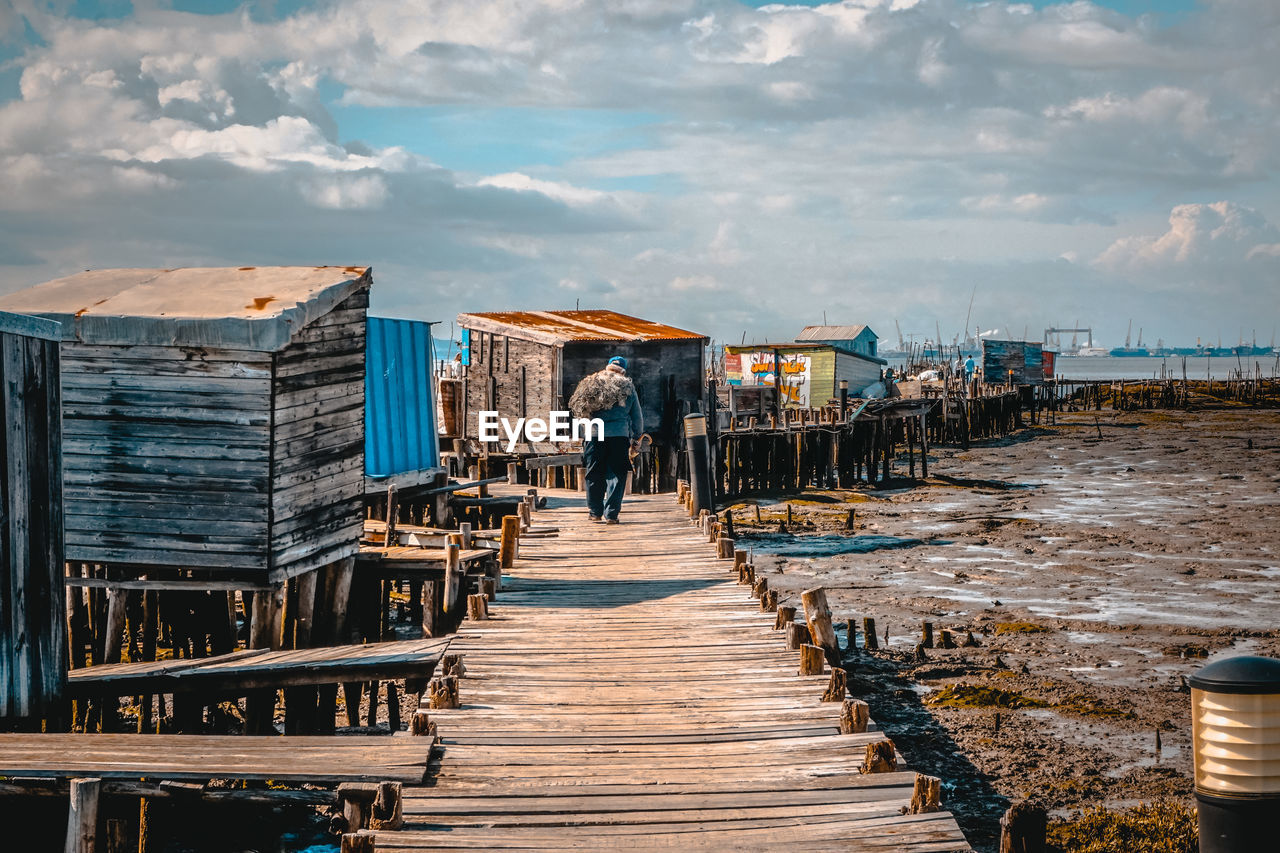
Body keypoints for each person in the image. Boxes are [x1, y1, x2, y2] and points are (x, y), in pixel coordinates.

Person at [568, 356, 643, 523]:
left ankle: (595, 512)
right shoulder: (628, 386)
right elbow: (636, 416)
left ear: (607, 367)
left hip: (594, 435)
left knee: (594, 473)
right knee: (616, 475)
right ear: (623, 370)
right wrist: (637, 436)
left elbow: (580, 411)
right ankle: (611, 514)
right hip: (618, 435)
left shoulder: (590, 383)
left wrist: (583, 434)